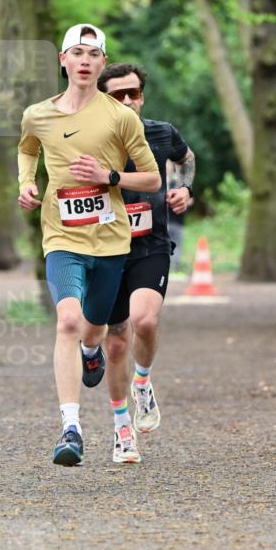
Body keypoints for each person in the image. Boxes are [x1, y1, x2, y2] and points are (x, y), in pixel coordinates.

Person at [17, 25, 160, 467]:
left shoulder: (121, 118)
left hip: (111, 240)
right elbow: (28, 150)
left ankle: (91, 352)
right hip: (61, 236)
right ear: (62, 60)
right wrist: (25, 181)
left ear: (101, 63)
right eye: (76, 53)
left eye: (92, 54)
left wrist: (110, 177)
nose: (84, 60)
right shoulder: (37, 114)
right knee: (67, 322)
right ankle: (71, 429)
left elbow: (152, 178)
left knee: (95, 330)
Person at [97, 62, 195, 464]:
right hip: (104, 247)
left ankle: (143, 381)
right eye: (116, 94)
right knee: (116, 340)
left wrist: (184, 188)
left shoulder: (160, 132)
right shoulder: (88, 137)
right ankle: (122, 429)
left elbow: (186, 158)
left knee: (147, 321)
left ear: (141, 96)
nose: (126, 101)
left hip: (149, 243)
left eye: (132, 93)